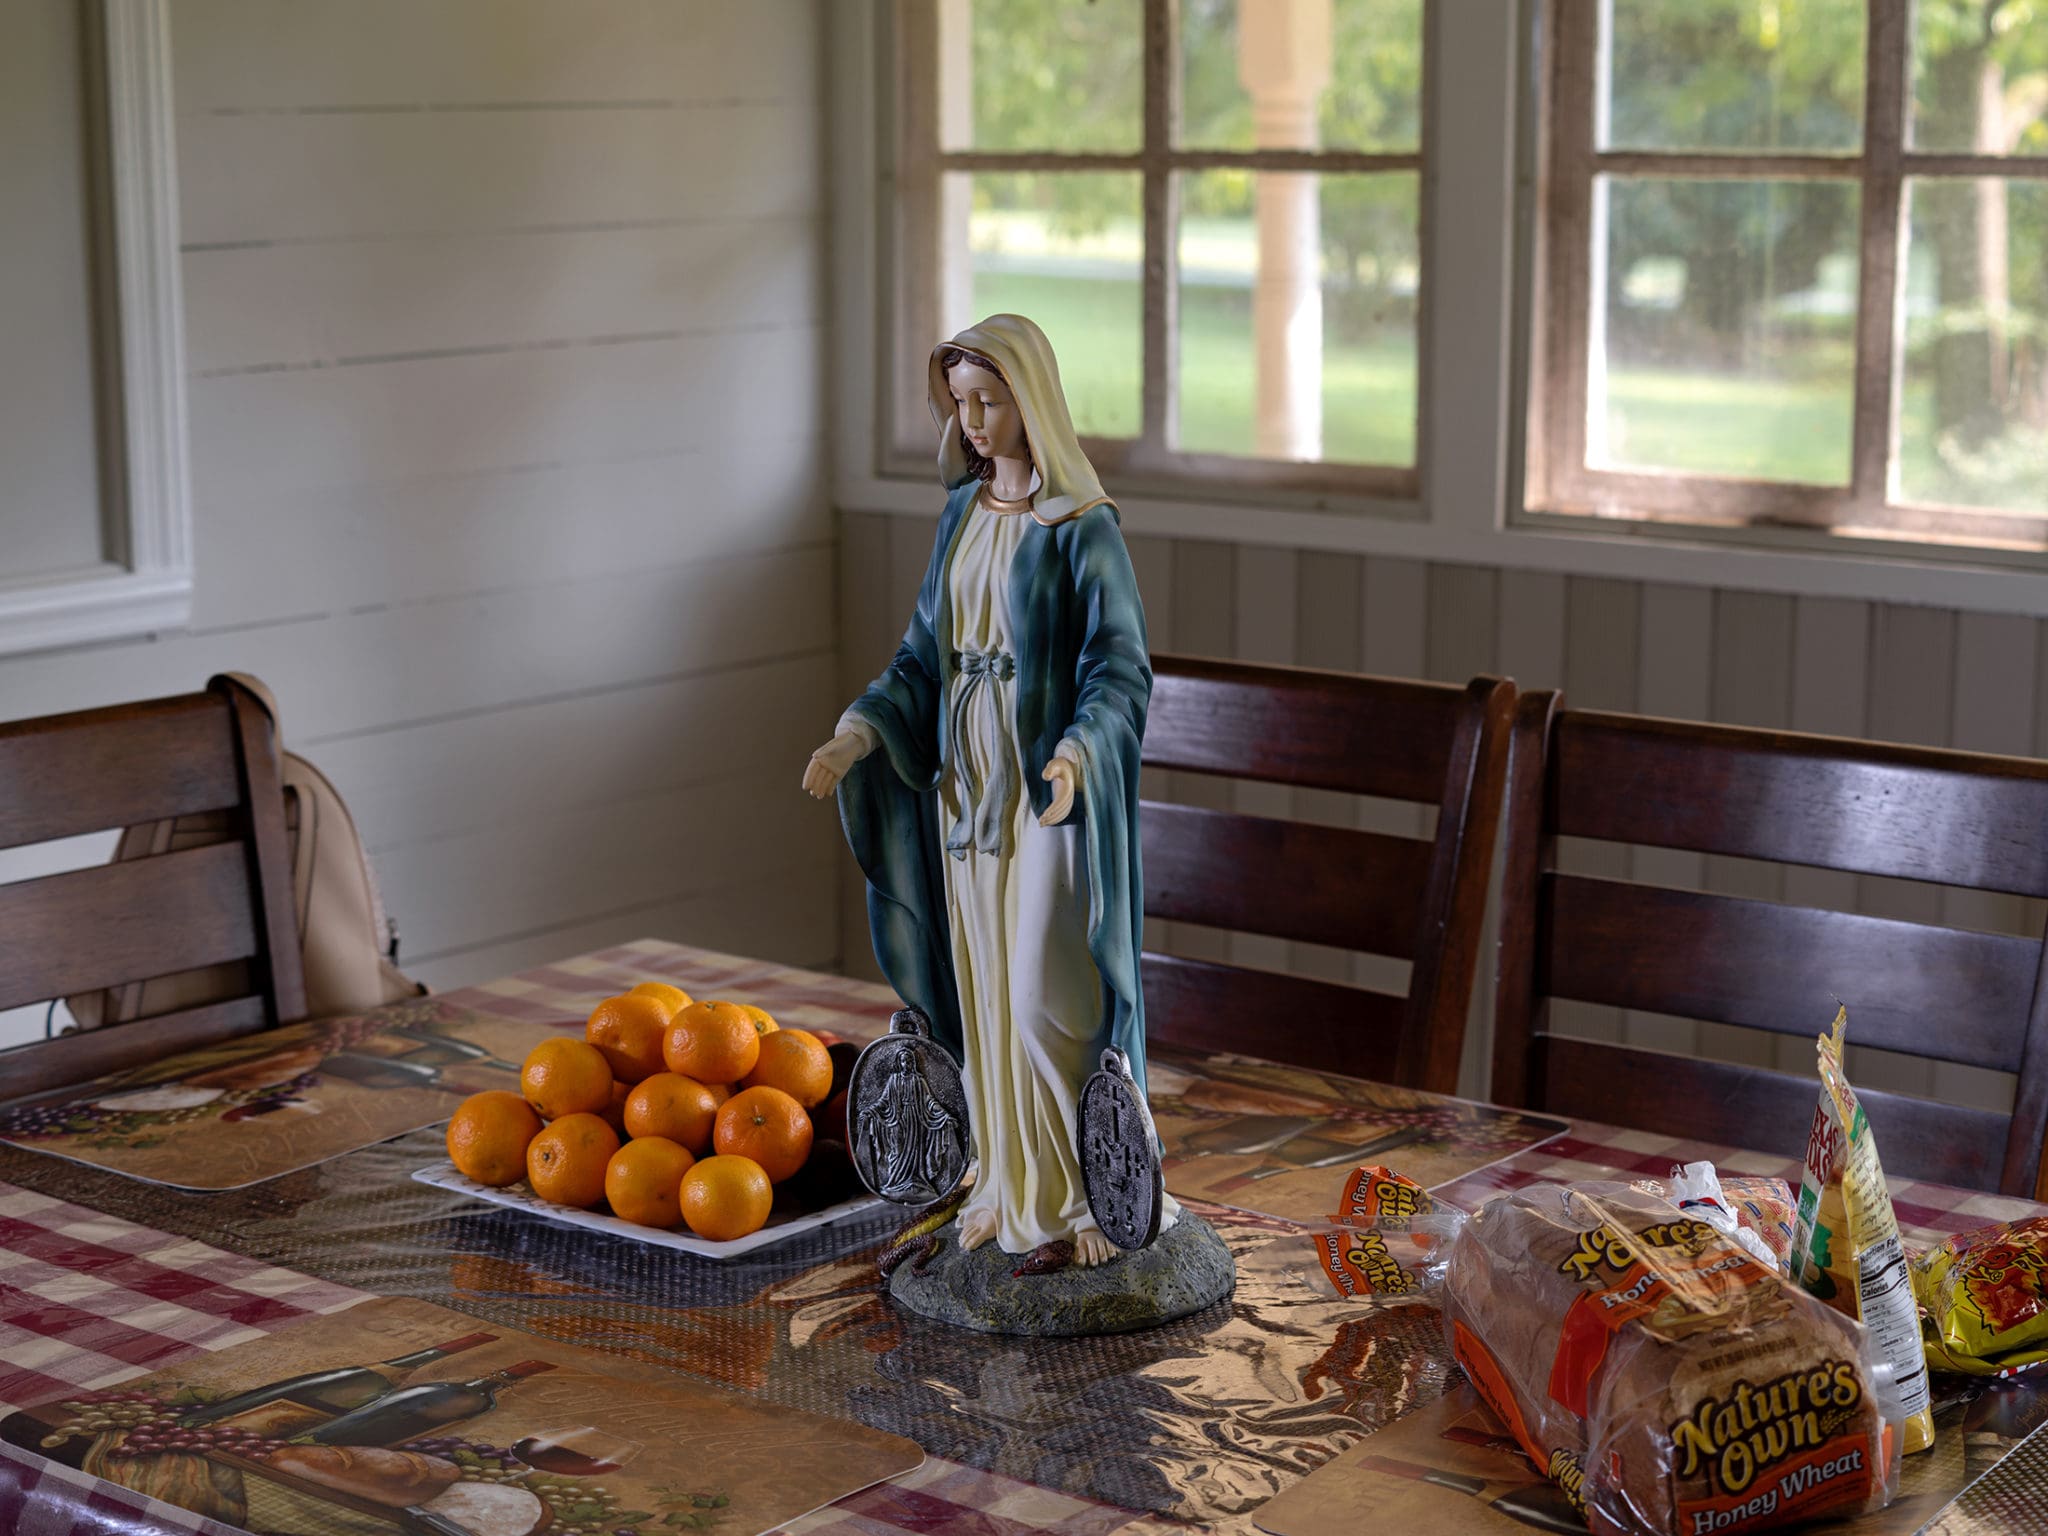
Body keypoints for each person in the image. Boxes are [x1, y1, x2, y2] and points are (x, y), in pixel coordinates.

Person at [802, 314, 1175, 1266]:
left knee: (1048, 990)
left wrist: (1078, 756)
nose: (971, 420)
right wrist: (860, 729)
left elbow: (1120, 667)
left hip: (1044, 791)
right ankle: (1013, 1190)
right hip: (965, 789)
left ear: (1031, 399)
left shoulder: (1081, 530)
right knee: (985, 986)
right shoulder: (962, 515)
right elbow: (923, 656)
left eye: (988, 399)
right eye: (959, 401)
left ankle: (1093, 1199)